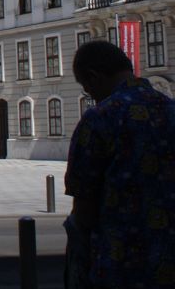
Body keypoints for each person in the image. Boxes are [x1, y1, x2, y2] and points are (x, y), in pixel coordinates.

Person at [64, 41, 175, 289]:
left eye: (86, 88)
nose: (90, 95)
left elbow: (84, 206)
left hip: (120, 261)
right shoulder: (170, 110)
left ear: (93, 78)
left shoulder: (100, 118)